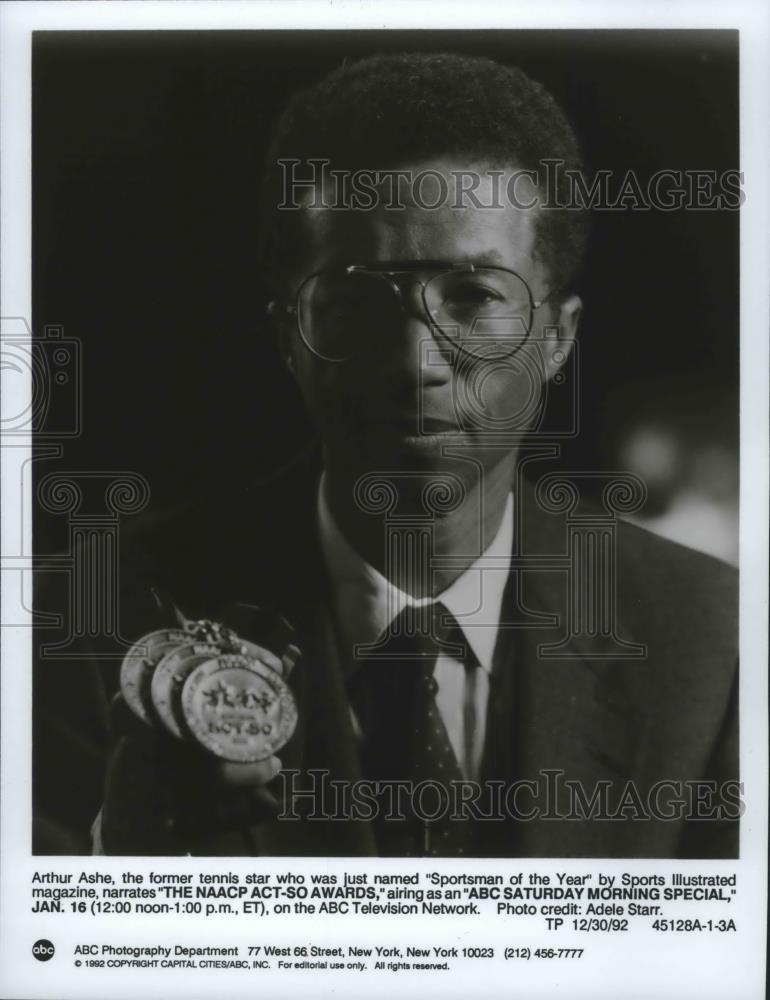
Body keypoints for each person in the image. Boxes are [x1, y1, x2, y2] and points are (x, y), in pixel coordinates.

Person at [33, 52, 739, 858]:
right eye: (357, 301)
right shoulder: (83, 630)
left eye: (474, 296)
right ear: (287, 339)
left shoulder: (711, 645)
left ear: (559, 338)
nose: (414, 362)